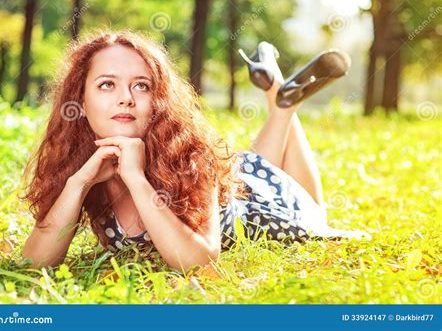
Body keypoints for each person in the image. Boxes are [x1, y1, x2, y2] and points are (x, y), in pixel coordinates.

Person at [21, 30, 369, 271]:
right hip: (240, 174)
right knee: (252, 161)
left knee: (318, 215)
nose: (125, 97)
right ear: (81, 98)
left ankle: (281, 101)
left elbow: (198, 261)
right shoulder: (79, 164)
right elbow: (34, 262)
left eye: (141, 86)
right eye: (107, 84)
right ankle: (280, 97)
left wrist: (136, 179)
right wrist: (79, 184)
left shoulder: (191, 157)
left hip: (264, 197)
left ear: (157, 100)